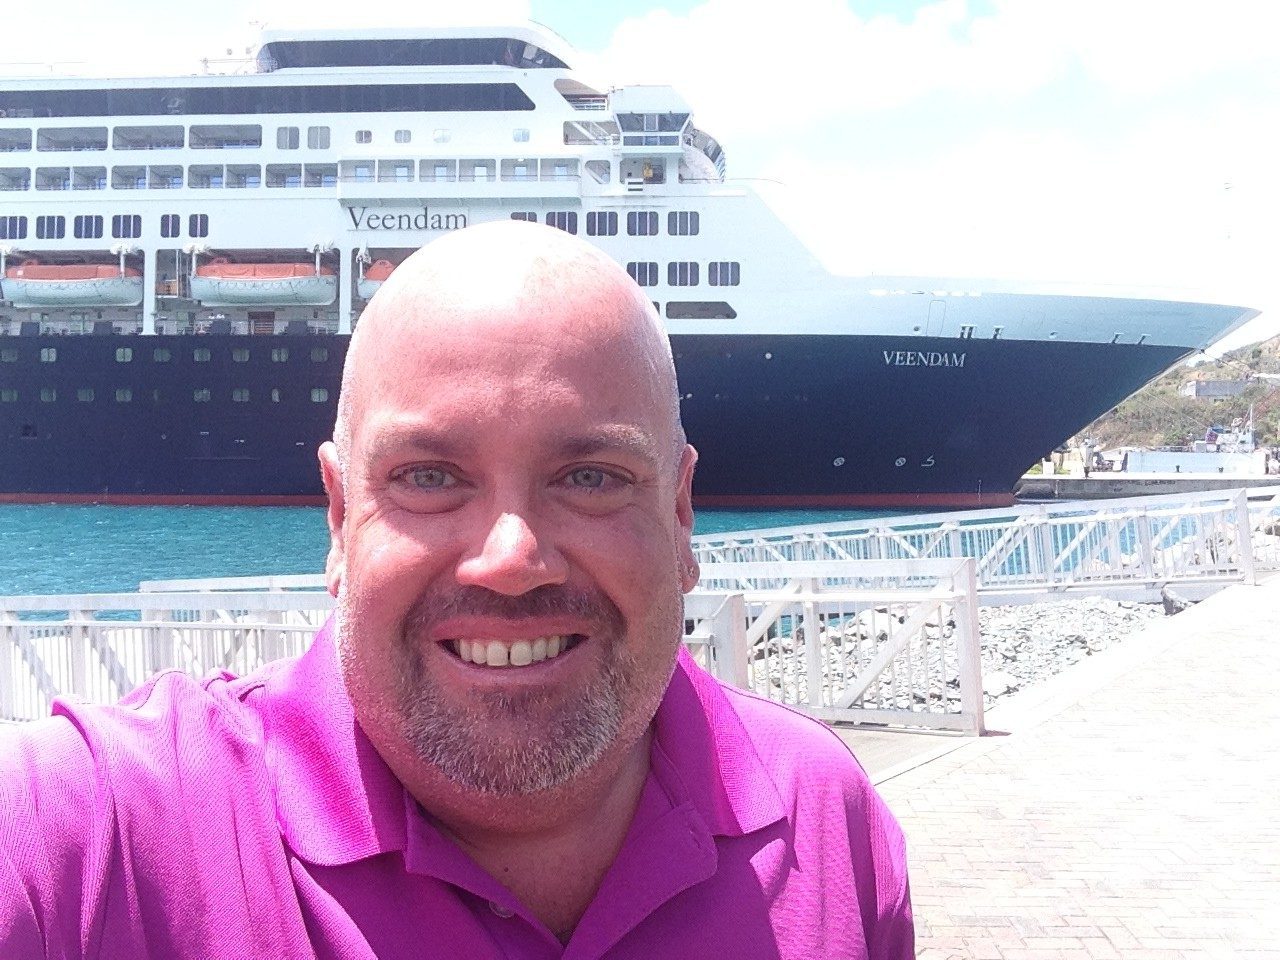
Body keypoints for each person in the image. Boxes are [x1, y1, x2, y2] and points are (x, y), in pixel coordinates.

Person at [0, 221, 914, 958]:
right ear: (338, 514)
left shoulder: (825, 819)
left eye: (589, 476)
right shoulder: (97, 831)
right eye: (430, 477)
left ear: (681, 514)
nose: (511, 558)